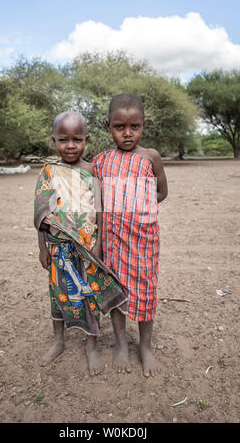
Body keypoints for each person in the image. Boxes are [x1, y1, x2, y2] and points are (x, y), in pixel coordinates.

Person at [34, 111, 127, 376]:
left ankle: (91, 345)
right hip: (57, 247)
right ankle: (59, 341)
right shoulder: (49, 172)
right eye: (64, 140)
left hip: (86, 248)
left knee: (88, 295)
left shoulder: (91, 172)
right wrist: (42, 248)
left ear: (86, 140)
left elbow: (99, 210)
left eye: (77, 139)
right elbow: (42, 214)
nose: (71, 146)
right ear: (54, 141)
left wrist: (97, 244)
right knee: (57, 294)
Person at [93, 94, 168, 377]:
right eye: (119, 127)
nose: (127, 133)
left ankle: (145, 347)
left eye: (134, 126)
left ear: (143, 125)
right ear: (108, 126)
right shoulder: (101, 162)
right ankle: (121, 344)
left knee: (146, 292)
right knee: (116, 293)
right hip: (113, 242)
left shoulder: (151, 157)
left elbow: (162, 192)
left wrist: (137, 205)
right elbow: (98, 200)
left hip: (144, 240)